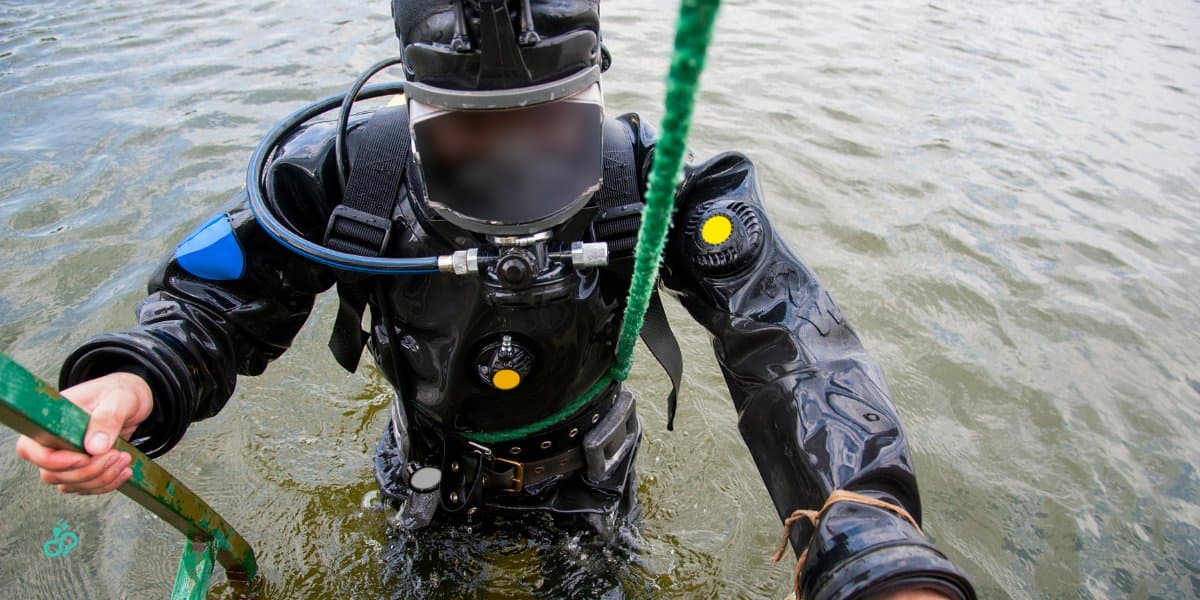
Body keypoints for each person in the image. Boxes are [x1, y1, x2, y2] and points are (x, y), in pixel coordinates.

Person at [13, 1, 975, 598]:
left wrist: (868, 539)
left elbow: (787, 338)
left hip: (592, 476)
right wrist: (136, 378)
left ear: (593, 95)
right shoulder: (357, 172)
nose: (515, 157)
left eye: (549, 125)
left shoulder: (652, 179)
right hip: (428, 471)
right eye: (475, 133)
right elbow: (220, 295)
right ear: (419, 109)